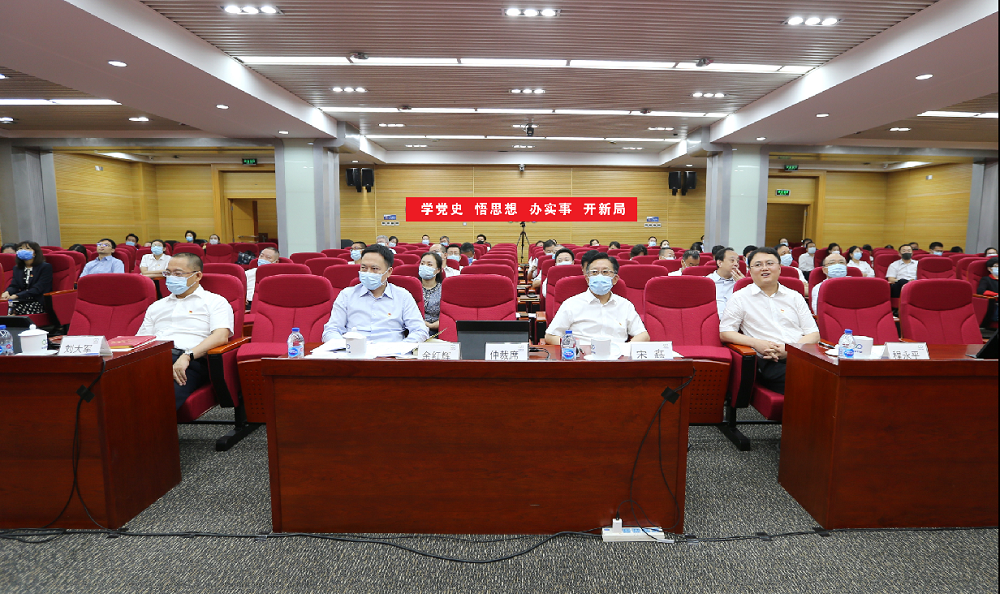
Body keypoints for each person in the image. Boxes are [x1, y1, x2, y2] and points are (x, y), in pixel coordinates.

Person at [136, 252, 234, 410]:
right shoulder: (156, 306)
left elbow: (221, 336)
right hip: (154, 358)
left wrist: (187, 356)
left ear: (197, 276)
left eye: (178, 274)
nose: (171, 278)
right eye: (168, 273)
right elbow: (142, 339)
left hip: (190, 360)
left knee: (159, 397)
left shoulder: (215, 302)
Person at [720, 247, 820, 395]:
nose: (764, 268)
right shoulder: (740, 297)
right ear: (750, 270)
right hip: (769, 360)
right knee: (810, 381)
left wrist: (791, 349)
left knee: (834, 375)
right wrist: (756, 343)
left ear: (779, 268)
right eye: (758, 264)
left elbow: (813, 334)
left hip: (800, 355)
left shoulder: (794, 296)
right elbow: (726, 332)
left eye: (769, 263)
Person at [321, 244, 429, 343]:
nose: (368, 273)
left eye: (375, 269)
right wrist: (345, 347)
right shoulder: (347, 295)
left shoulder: (402, 296)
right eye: (364, 268)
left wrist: (401, 348)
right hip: (353, 352)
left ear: (389, 272)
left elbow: (420, 330)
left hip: (391, 353)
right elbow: (331, 330)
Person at [544, 253, 649, 344]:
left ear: (615, 279)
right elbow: (551, 336)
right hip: (582, 356)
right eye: (594, 272)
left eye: (605, 272)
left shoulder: (625, 305)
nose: (599, 276)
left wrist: (626, 349)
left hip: (617, 356)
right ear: (587, 278)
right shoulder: (571, 304)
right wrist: (574, 348)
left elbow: (643, 335)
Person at [2, 241, 52, 315]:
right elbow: (14, 285)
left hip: (38, 301)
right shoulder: (17, 268)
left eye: (27, 248)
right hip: (22, 299)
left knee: (13, 310)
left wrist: (17, 295)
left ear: (35, 253)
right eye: (20, 248)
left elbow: (38, 288)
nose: (23, 250)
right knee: (4, 307)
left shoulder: (45, 267)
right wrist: (7, 292)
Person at [708, 247, 744, 316]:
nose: (736, 264)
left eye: (737, 261)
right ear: (720, 263)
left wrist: (743, 285)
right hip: (711, 319)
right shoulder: (707, 282)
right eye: (732, 260)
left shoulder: (740, 282)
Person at [418, 252, 444, 331]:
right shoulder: (412, 287)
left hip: (436, 330)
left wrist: (430, 326)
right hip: (413, 327)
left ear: (438, 270)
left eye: (429, 265)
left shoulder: (443, 290)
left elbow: (447, 315)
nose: (425, 267)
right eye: (422, 264)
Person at [977, 257, 998, 325]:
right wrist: (995, 294)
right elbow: (981, 291)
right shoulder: (986, 279)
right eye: (996, 266)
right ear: (989, 269)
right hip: (994, 304)